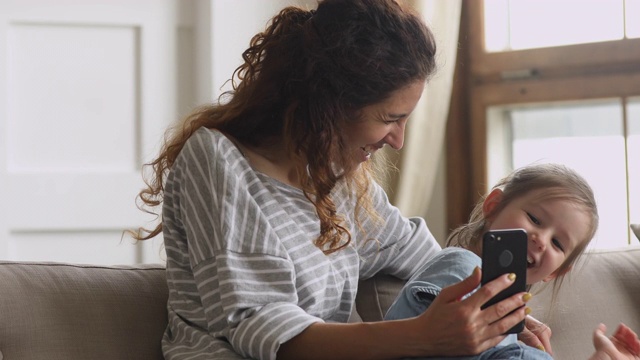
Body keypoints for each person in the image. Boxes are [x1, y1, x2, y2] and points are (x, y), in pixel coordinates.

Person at [130, 0, 549, 359]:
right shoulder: (217, 160)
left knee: (460, 266)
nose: (399, 141)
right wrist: (423, 335)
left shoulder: (339, 181)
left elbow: (423, 255)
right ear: (329, 104)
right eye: (391, 119)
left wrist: (502, 317)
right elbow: (262, 328)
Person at [384, 163, 640, 360]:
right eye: (535, 219)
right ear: (493, 206)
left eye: (557, 244)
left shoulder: (511, 322)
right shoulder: (460, 265)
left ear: (557, 271)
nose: (541, 240)